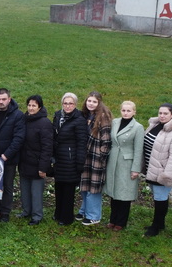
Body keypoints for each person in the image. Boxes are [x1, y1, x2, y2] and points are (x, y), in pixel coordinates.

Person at [141, 103, 172, 237]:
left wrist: (167, 175)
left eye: (165, 113)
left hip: (163, 172)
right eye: (160, 113)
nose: (162, 116)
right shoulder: (154, 125)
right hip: (151, 168)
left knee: (161, 198)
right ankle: (160, 223)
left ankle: (156, 226)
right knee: (157, 197)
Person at [103, 101, 144, 231]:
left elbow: (138, 150)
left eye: (129, 111)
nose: (126, 113)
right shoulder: (115, 122)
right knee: (114, 191)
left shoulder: (138, 127)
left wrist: (135, 169)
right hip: (113, 160)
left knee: (124, 193)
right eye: (123, 110)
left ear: (134, 112)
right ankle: (112, 219)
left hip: (127, 163)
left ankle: (121, 222)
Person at [0, 88, 25, 222]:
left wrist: (6, 155)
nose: (1, 102)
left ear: (9, 99)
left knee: (7, 186)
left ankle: (5, 212)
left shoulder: (18, 115)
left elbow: (18, 138)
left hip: (8, 158)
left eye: (4, 99)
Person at [51, 92, 88, 226]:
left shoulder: (79, 120)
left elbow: (82, 143)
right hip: (59, 159)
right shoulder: (57, 116)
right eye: (65, 103)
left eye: (70, 103)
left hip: (71, 160)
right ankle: (58, 213)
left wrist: (79, 163)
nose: (67, 106)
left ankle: (66, 217)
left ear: (75, 104)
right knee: (59, 187)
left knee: (68, 190)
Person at [18, 95, 53, 226]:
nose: (31, 108)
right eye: (29, 105)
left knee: (36, 192)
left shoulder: (45, 123)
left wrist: (43, 167)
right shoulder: (24, 120)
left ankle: (37, 215)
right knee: (25, 189)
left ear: (40, 107)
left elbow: (47, 147)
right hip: (24, 162)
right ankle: (26, 211)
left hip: (38, 163)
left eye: (34, 105)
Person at [79, 91, 113, 226]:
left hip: (96, 158)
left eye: (94, 101)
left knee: (93, 188)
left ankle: (94, 215)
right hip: (86, 156)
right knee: (84, 185)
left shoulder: (103, 117)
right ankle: (84, 210)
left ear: (99, 103)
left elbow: (107, 140)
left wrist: (101, 156)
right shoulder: (86, 115)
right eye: (89, 101)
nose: (91, 104)